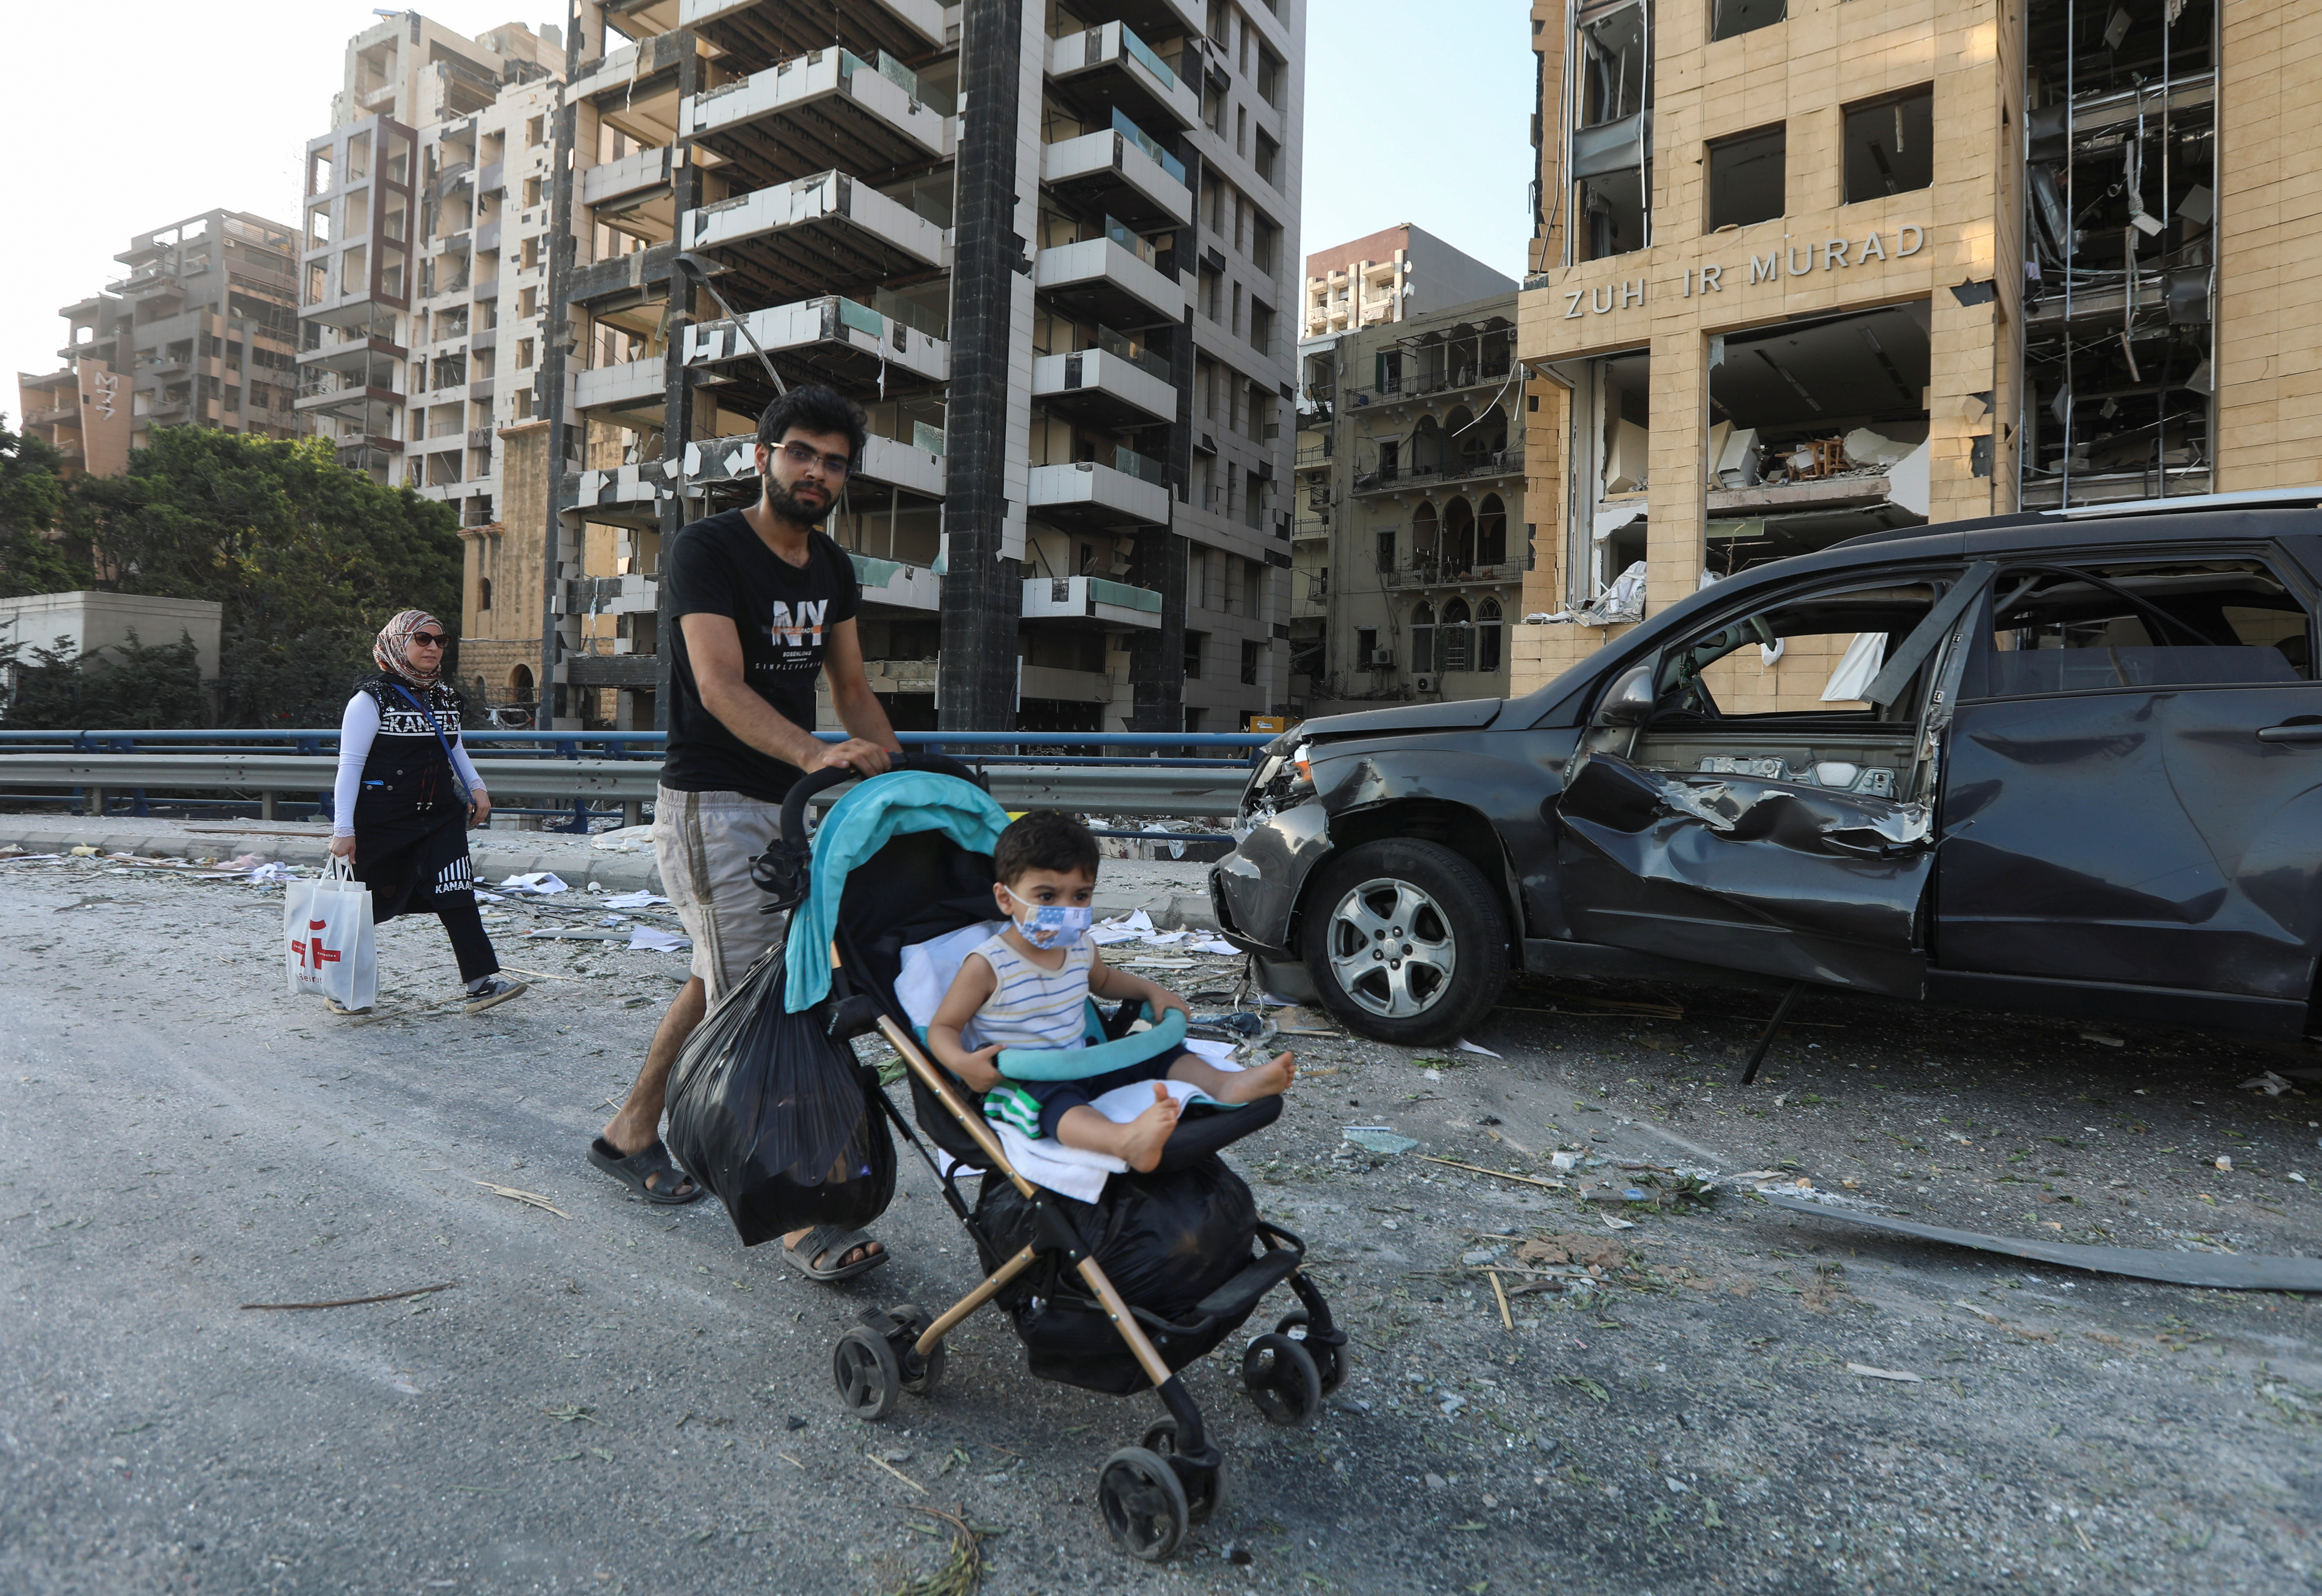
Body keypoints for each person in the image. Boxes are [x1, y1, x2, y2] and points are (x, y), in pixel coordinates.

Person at [589, 385, 902, 1279]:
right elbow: (720, 685)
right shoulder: (709, 549)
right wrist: (816, 757)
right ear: (760, 456)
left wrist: (895, 763)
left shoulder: (831, 568)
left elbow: (849, 688)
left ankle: (630, 1133)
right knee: (772, 1008)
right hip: (714, 804)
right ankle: (803, 1215)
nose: (817, 472)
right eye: (801, 452)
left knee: (723, 980)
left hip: (792, 806)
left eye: (835, 461)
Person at [926, 811, 1297, 1173]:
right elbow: (942, 1028)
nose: (1068, 911)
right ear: (1006, 900)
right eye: (1047, 897)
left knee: (1155, 1053)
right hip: (1025, 1078)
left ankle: (1226, 1084)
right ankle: (1123, 1141)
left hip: (1084, 1060)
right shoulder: (987, 965)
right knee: (1052, 1105)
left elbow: (1103, 981)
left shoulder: (1078, 946)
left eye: (1081, 896)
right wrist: (963, 1065)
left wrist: (1154, 991)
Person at [328, 611, 528, 1015]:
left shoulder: (445, 697)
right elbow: (349, 766)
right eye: (422, 639)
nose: (433, 647)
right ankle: (343, 989)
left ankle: (480, 984)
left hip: (439, 815)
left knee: (457, 891)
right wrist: (343, 830)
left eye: (440, 641)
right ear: (398, 643)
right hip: (382, 819)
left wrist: (476, 786)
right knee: (362, 903)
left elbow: (453, 746)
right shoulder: (370, 699)